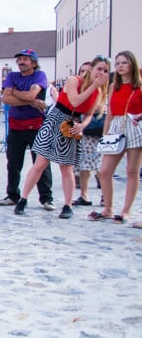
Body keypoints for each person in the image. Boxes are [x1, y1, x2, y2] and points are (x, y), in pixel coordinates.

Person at [16, 56, 109, 218]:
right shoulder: (74, 81)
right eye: (99, 69)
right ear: (91, 69)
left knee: (66, 167)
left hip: (73, 123)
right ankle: (23, 199)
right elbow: (74, 101)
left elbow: (88, 114)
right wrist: (93, 86)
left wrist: (82, 125)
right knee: (40, 163)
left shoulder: (98, 91)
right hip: (57, 118)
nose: (101, 73)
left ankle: (67, 205)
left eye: (105, 71)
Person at [0, 48, 54, 210]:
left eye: (25, 59)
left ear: (34, 63)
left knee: (41, 163)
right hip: (16, 125)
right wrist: (31, 102)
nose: (21, 62)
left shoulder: (39, 76)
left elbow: (30, 95)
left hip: (36, 126)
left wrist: (15, 91)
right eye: (20, 59)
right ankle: (12, 195)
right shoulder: (12, 76)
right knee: (13, 163)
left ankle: (46, 198)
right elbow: (7, 99)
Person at [93, 52, 142, 223]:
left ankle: (126, 210)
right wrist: (105, 135)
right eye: (118, 63)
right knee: (105, 171)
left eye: (124, 63)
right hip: (115, 126)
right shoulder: (114, 86)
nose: (120, 66)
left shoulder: (140, 86)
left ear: (132, 65)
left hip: (134, 125)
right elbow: (110, 113)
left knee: (132, 171)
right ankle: (108, 208)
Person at [74, 62, 103, 206]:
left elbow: (98, 108)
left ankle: (105, 195)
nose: (84, 74)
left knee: (101, 164)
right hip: (81, 131)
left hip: (97, 130)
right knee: (84, 163)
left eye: (87, 71)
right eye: (82, 71)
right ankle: (84, 195)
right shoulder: (79, 87)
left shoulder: (100, 88)